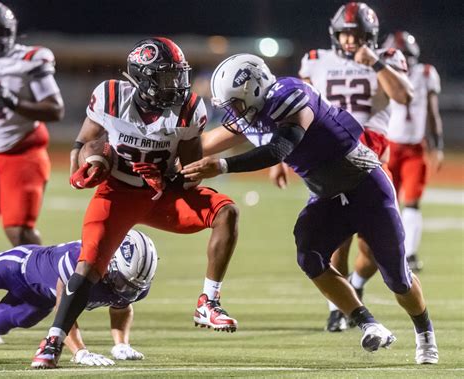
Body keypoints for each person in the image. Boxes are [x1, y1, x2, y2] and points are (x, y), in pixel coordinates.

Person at [183, 53, 438, 364]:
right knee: (309, 255)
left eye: (236, 103)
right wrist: (162, 155)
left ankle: (425, 333)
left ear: (255, 89)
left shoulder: (290, 94)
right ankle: (369, 323)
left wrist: (222, 166)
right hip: (328, 196)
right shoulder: (248, 115)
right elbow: (203, 144)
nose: (233, 112)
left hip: (366, 186)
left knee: (397, 277)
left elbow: (280, 148)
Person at [32, 37, 239, 369]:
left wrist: (170, 175)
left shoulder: (187, 109)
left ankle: (208, 303)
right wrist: (89, 167)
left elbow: (190, 173)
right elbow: (84, 144)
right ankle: (53, 340)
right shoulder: (113, 98)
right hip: (118, 193)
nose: (176, 85)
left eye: (178, 76)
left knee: (225, 212)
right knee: (87, 268)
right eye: (166, 77)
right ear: (143, 78)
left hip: (161, 196)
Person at [269, 2, 414, 332]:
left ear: (371, 36)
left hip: (371, 151)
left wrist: (376, 63)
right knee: (335, 241)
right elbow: (293, 108)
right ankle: (338, 306)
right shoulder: (316, 60)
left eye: (357, 35)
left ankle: (356, 284)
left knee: (374, 246)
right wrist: (280, 155)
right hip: (326, 152)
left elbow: (404, 96)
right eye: (345, 35)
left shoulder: (388, 58)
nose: (350, 41)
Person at [0, 229, 155, 366]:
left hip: (41, 299)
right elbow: (65, 311)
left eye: (130, 285)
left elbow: (121, 307)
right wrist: (80, 351)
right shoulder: (80, 263)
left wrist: (121, 344)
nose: (124, 289)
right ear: (110, 260)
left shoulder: (135, 283)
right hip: (17, 266)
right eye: (121, 281)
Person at [0, 2, 64, 250]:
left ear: (8, 31)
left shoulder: (27, 60)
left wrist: (14, 102)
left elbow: (55, 109)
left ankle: (38, 284)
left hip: (20, 152)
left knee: (19, 232)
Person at [382, 31, 444, 272]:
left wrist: (437, 145)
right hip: (387, 147)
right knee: (388, 202)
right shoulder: (383, 75)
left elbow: (432, 113)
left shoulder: (426, 74)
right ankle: (390, 250)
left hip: (414, 148)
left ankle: (410, 253)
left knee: (412, 202)